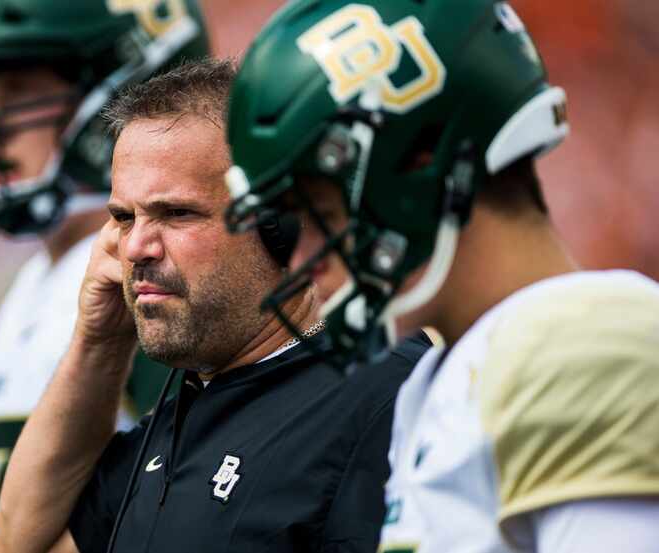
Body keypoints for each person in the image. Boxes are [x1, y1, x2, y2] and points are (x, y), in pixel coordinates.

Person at [223, 0, 659, 551]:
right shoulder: (442, 380)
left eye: (323, 216)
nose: (301, 257)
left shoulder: (586, 344)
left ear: (418, 167)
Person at [0, 58, 431, 553]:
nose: (134, 247)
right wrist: (98, 341)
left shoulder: (388, 399)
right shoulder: (180, 413)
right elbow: (16, 545)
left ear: (282, 224)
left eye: (176, 213)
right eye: (122, 216)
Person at [0, 2, 209, 552]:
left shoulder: (150, 266)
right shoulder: (35, 280)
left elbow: (201, 491)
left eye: (20, 89)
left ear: (128, 92)